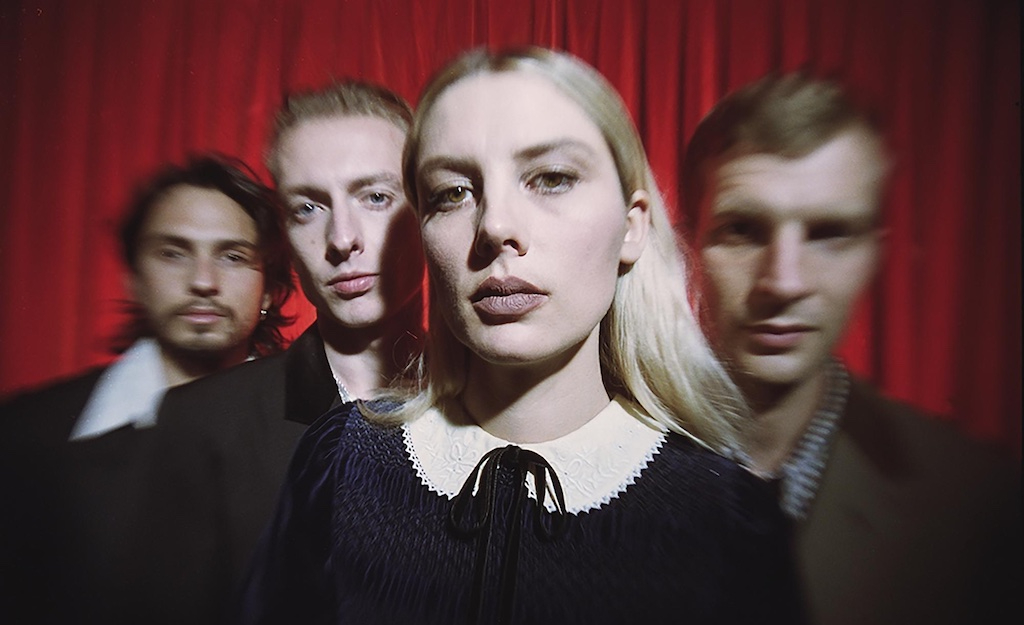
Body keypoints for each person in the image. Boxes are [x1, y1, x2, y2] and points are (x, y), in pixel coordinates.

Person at [236, 47, 802, 625]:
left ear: (632, 227)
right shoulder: (339, 462)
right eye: (452, 192)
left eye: (551, 179)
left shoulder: (730, 518)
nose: (496, 226)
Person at [685, 72, 1021, 625]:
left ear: (874, 255)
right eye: (743, 230)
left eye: (829, 234)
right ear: (686, 245)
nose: (784, 282)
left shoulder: (980, 503)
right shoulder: (580, 469)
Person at [135, 81, 426, 624]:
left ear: (428, 208)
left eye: (375, 197)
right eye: (308, 207)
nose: (342, 238)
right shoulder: (200, 426)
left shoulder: (501, 404)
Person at [0, 154, 293, 623]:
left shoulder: (317, 436)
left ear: (270, 290)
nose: (203, 282)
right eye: (173, 253)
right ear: (133, 277)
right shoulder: (25, 436)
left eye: (232, 256)